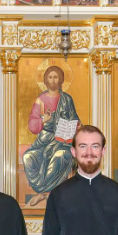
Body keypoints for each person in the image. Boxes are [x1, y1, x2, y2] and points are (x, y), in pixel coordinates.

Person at [22, 66, 80, 207]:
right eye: (50, 77)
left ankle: (46, 194)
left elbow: (74, 119)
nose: (53, 80)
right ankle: (45, 193)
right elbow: (32, 124)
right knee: (28, 157)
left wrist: (78, 126)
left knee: (60, 156)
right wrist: (43, 120)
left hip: (62, 140)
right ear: (45, 80)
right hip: (43, 140)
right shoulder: (40, 100)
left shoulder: (66, 99)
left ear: (60, 80)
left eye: (56, 77)